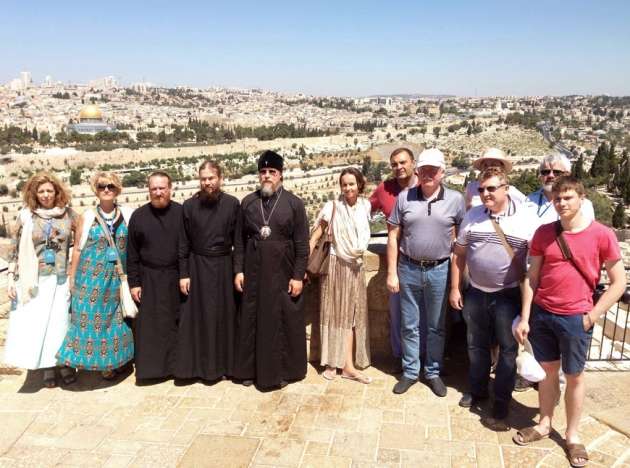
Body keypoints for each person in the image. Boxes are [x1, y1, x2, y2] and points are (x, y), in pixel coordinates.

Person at [513, 176, 625, 468]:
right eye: (557, 199)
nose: (562, 203)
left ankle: (573, 436)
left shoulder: (602, 234)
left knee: (575, 377)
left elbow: (618, 282)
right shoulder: (542, 233)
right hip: (543, 314)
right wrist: (525, 316)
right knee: (548, 373)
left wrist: (592, 315)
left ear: (581, 199)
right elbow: (532, 277)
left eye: (568, 198)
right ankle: (544, 424)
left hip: (577, 318)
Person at [450, 168, 537, 422]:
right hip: (476, 292)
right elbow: (459, 254)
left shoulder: (525, 220)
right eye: (481, 189)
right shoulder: (473, 216)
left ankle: (501, 399)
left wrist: (527, 310)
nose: (485, 194)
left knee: (508, 350)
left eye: (491, 188)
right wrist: (455, 288)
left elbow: (534, 267)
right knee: (475, 345)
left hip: (508, 295)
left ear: (506, 188)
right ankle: (477, 391)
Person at [387, 148, 465, 396]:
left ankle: (432, 371)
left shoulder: (455, 200)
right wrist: (391, 272)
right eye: (425, 170)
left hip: (440, 270)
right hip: (408, 267)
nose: (429, 174)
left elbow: (462, 241)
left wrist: (456, 283)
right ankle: (410, 372)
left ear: (442, 172)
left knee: (435, 326)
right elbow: (392, 236)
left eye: (434, 170)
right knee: (409, 324)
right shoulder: (404, 197)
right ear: (418, 172)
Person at [516, 153, 595, 393]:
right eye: (545, 171)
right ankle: (532, 374)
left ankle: (555, 384)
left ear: (568, 175)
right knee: (532, 330)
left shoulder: (584, 205)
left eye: (556, 172)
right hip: (531, 273)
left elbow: (584, 241)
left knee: (561, 334)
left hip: (562, 278)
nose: (550, 175)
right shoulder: (528, 201)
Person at [233, 150, 309, 390]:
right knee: (251, 320)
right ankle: (249, 370)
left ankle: (285, 371)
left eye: (272, 172)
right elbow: (239, 241)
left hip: (283, 272)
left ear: (281, 175)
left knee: (283, 321)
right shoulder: (248, 202)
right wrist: (238, 270)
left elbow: (302, 244)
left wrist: (298, 276)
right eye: (263, 172)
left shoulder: (294, 203)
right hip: (253, 272)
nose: (267, 176)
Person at [57, 172, 134, 380]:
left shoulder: (128, 214)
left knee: (117, 320)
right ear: (96, 190)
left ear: (117, 189)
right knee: (90, 320)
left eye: (110, 185)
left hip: (118, 277)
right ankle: (85, 362)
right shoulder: (88, 216)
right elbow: (78, 249)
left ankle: (113, 363)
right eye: (101, 186)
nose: (106, 189)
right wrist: (72, 277)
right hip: (91, 278)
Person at [4, 173, 78, 388]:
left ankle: (63, 364)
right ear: (34, 193)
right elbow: (14, 247)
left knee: (60, 323)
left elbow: (84, 237)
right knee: (40, 324)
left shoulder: (68, 215)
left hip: (61, 278)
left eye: (50, 191)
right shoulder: (26, 216)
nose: (46, 195)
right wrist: (10, 277)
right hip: (34, 278)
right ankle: (47, 367)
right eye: (41, 191)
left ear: (57, 193)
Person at [176, 161, 240, 381]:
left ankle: (227, 368)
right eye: (203, 179)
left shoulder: (232, 204)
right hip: (198, 267)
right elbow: (183, 244)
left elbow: (238, 242)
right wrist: (184, 274)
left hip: (224, 266)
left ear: (220, 178)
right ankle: (201, 369)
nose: (207, 183)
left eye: (211, 178)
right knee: (200, 318)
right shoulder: (189, 206)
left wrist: (238, 270)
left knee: (225, 317)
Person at [310, 167, 372, 384]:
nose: (348, 188)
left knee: (352, 317)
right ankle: (331, 363)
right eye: (344, 184)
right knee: (334, 314)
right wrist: (302, 266)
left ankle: (348, 366)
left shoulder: (366, 206)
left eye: (351, 184)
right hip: (336, 265)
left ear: (359, 185)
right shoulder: (332, 207)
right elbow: (316, 235)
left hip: (356, 266)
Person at [126, 171, 182, 381]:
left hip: (176, 276)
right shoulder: (139, 216)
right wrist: (134, 283)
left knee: (175, 324)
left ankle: (177, 369)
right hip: (148, 278)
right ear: (148, 190)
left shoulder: (181, 212)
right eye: (154, 189)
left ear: (170, 188)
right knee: (152, 326)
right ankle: (153, 371)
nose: (158, 193)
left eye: (162, 188)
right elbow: (131, 253)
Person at [369, 147, 417, 366]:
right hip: (397, 262)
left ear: (413, 163)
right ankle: (401, 357)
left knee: (425, 316)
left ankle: (425, 359)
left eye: (403, 162)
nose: (399, 167)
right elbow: (363, 210)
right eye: (394, 164)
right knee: (398, 314)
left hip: (423, 260)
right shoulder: (384, 189)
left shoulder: (425, 186)